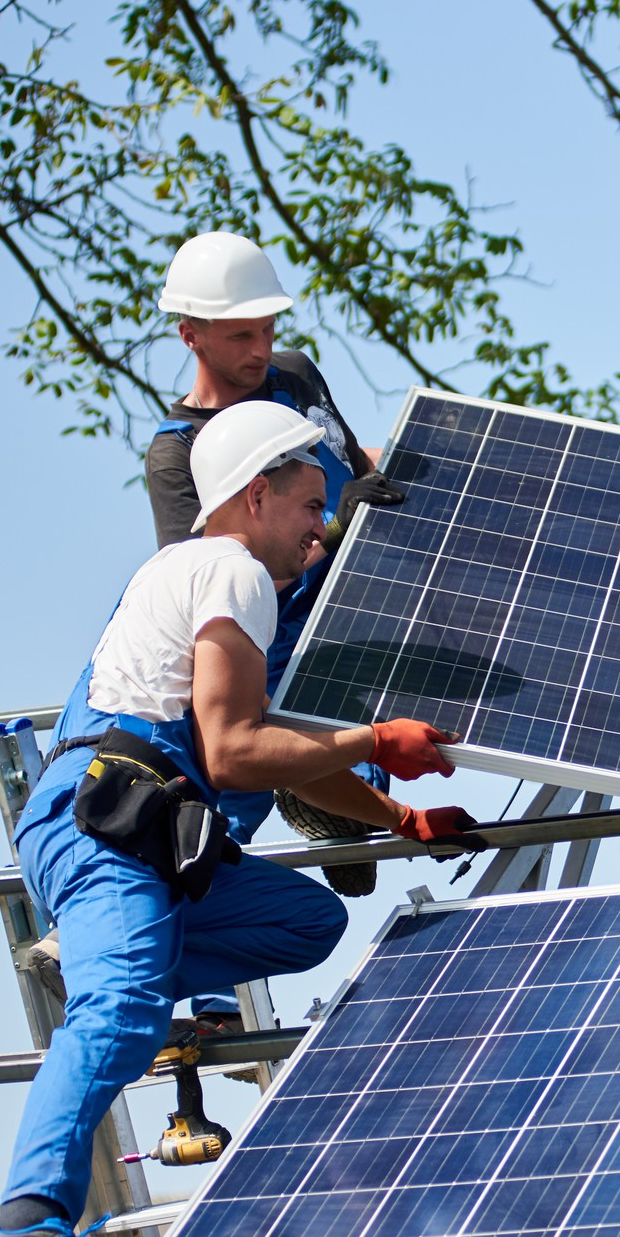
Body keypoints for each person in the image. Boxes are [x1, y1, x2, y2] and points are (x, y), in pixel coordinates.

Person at [0, 403, 477, 1237]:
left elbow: (277, 749)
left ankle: (113, 957)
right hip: (109, 826)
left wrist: (398, 816)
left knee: (304, 918)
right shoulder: (233, 571)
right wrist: (374, 738)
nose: (320, 530)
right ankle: (27, 1223)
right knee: (121, 1011)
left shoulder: (188, 574)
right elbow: (234, 752)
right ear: (256, 494)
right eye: (310, 506)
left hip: (137, 829)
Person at [147, 229, 401, 900]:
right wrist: (336, 527)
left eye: (268, 327)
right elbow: (207, 585)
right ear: (190, 335)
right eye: (240, 335)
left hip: (369, 601)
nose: (261, 348)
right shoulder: (179, 454)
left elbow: (354, 463)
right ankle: (198, 964)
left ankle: (339, 810)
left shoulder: (293, 374)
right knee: (229, 784)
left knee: (374, 759)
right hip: (278, 644)